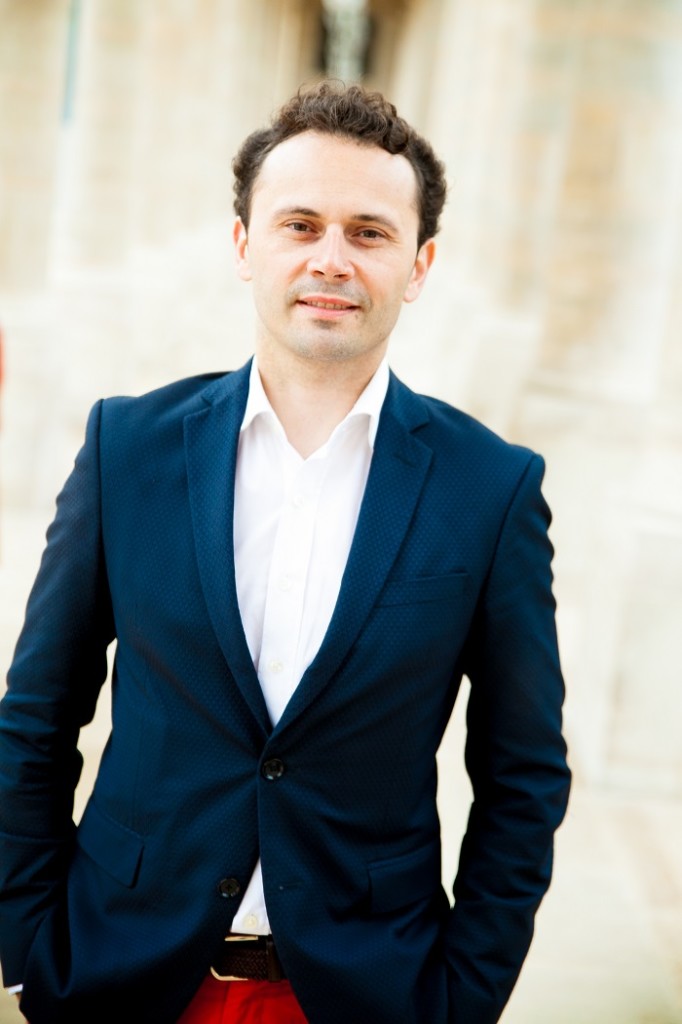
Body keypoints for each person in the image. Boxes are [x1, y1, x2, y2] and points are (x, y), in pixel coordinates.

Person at [0, 81, 570, 1024]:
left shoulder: (492, 488)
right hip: (120, 973)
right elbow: (35, 716)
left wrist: (464, 998)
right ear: (244, 245)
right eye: (299, 225)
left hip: (367, 992)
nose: (330, 259)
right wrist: (26, 947)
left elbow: (524, 773)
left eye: (370, 232)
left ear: (419, 264)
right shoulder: (125, 450)